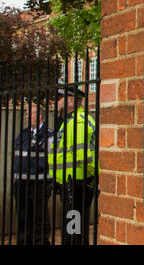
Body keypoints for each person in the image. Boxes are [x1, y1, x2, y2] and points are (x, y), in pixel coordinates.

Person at [48, 86, 99, 245]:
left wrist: (90, 177)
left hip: (77, 184)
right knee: (73, 229)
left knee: (73, 232)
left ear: (70, 101)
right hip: (73, 183)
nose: (54, 103)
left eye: (58, 99)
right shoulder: (71, 121)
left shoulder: (76, 122)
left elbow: (82, 156)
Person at [13, 104, 53, 245]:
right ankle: (24, 241)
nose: (27, 116)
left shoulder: (49, 135)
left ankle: (40, 241)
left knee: (39, 216)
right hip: (22, 183)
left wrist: (51, 182)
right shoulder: (22, 134)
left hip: (39, 183)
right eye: (26, 113)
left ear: (40, 115)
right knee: (23, 215)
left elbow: (52, 160)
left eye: (30, 113)